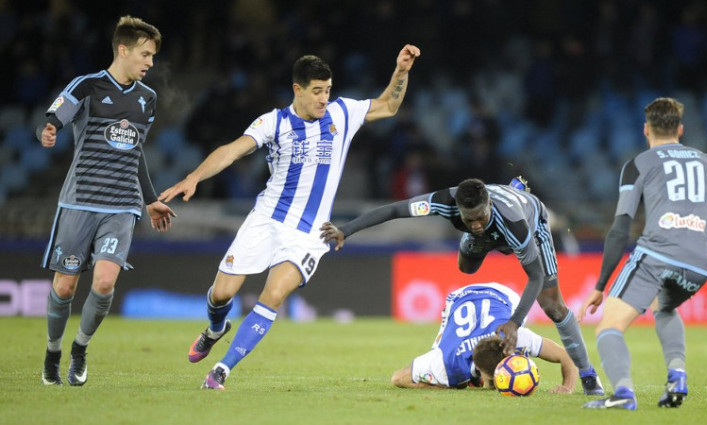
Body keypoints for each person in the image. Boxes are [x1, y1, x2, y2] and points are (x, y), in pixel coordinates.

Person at [158, 44, 421, 390]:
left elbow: (388, 104)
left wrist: (401, 71)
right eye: (316, 92)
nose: (324, 99)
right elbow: (233, 150)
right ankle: (215, 329)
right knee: (222, 294)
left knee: (274, 294)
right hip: (266, 218)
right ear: (297, 89)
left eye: (327, 90)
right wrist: (193, 176)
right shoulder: (274, 122)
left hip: (310, 233)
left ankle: (221, 370)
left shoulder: (343, 113)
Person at [320, 177, 605, 395]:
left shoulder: (515, 224)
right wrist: (348, 229)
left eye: (481, 217)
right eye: (470, 219)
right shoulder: (444, 201)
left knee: (552, 306)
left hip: (531, 225)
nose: (477, 223)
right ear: (458, 209)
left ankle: (589, 376)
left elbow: (535, 278)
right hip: (493, 235)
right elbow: (395, 210)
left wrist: (515, 322)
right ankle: (506, 198)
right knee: (466, 267)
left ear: (489, 205)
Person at [579, 97, 707, 410]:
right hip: (701, 262)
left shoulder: (638, 165)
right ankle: (677, 375)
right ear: (681, 129)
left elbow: (621, 228)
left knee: (609, 328)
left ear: (646, 129)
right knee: (664, 307)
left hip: (658, 255)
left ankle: (621, 394)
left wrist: (600, 285)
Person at [37, 15, 176, 386]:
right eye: (145, 54)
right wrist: (49, 129)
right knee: (65, 287)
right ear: (123, 49)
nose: (150, 62)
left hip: (121, 205)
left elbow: (136, 152)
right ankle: (53, 351)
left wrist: (148, 200)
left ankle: (80, 349)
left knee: (103, 283)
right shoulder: (88, 86)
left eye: (153, 57)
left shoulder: (148, 99)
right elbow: (55, 116)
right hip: (80, 201)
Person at [390, 282, 577, 392]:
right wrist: (446, 386)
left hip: (502, 295)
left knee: (518, 317)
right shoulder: (448, 362)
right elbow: (398, 378)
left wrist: (567, 388)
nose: (496, 386)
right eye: (492, 381)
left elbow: (567, 355)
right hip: (459, 298)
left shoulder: (516, 337)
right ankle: (467, 381)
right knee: (439, 346)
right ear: (478, 368)